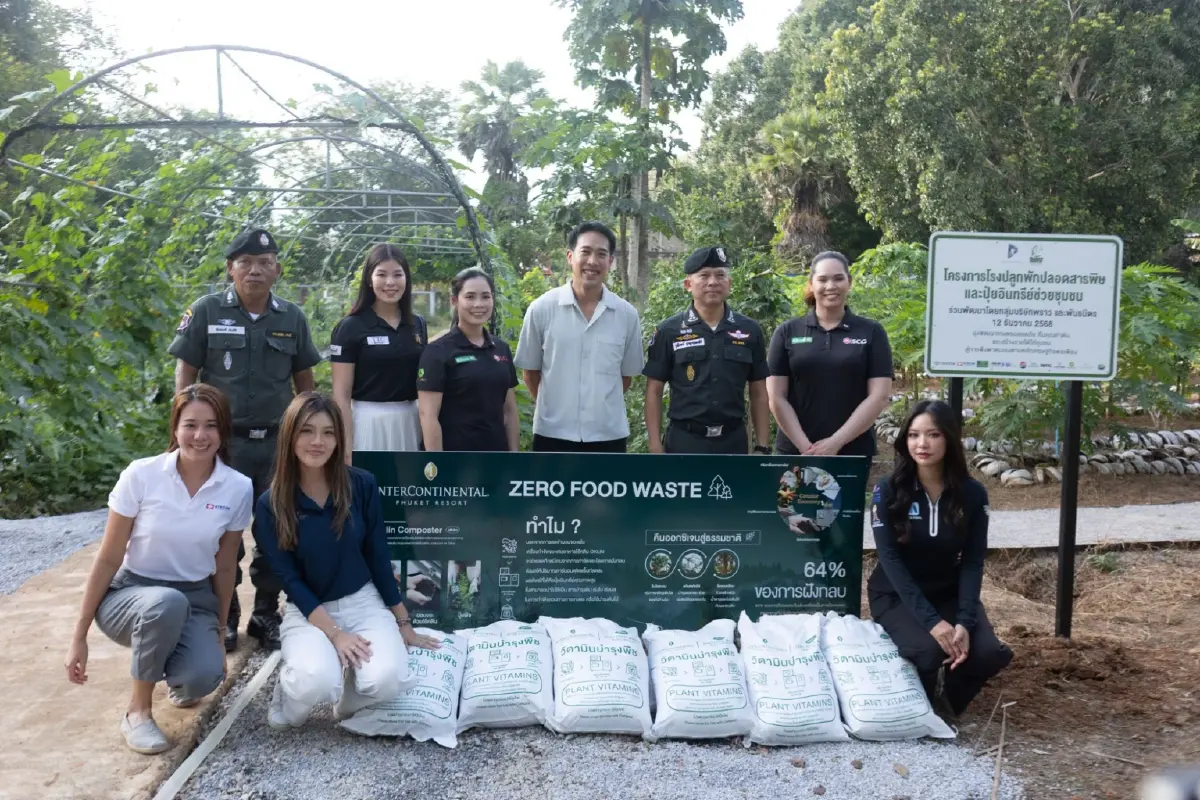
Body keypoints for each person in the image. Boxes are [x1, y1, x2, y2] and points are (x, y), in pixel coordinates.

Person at [64, 384, 252, 754]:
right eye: (190, 425)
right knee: (165, 604)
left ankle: (177, 670)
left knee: (204, 676)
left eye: (211, 426)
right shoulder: (141, 475)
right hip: (130, 596)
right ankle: (138, 711)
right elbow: (108, 557)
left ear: (223, 431)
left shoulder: (237, 487)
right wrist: (79, 636)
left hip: (195, 597)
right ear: (175, 428)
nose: (200, 436)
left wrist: (218, 631)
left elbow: (226, 564)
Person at [169, 228, 322, 652]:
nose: (255, 270)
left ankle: (265, 613)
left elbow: (305, 385)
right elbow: (186, 375)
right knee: (221, 532)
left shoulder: (291, 317)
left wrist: (307, 434)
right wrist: (184, 427)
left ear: (277, 269)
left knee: (278, 529)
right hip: (223, 446)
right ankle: (226, 614)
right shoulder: (205, 310)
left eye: (265, 262)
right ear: (230, 269)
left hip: (276, 444)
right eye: (246, 262)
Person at [252, 393, 441, 729]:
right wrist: (336, 634)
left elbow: (378, 557)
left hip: (363, 602)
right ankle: (290, 692)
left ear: (340, 438)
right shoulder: (272, 503)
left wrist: (403, 623)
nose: (317, 441)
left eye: (328, 432)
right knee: (312, 688)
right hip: (310, 611)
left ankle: (349, 699)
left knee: (389, 679)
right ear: (290, 436)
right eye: (307, 431)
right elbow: (290, 580)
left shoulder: (361, 484)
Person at [868, 399, 1012, 718]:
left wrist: (963, 620)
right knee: (930, 651)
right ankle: (924, 691)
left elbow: (973, 561)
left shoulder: (973, 494)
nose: (922, 443)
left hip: (947, 592)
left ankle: (949, 702)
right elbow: (890, 560)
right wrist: (934, 624)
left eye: (933, 434)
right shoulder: (888, 490)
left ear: (949, 438)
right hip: (895, 596)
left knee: (988, 653)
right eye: (914, 435)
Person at [514, 221, 643, 453]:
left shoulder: (626, 315)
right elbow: (530, 374)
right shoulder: (542, 309)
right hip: (552, 436)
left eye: (602, 254)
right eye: (586, 252)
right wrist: (556, 410)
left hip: (608, 437)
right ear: (570, 256)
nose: (593, 261)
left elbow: (625, 378)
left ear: (610, 262)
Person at [643, 245, 771, 455]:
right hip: (684, 443)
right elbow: (654, 391)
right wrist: (655, 446)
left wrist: (762, 446)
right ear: (688, 284)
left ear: (729, 283)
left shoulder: (749, 330)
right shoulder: (668, 331)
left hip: (733, 442)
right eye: (704, 276)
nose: (713, 282)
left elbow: (759, 392)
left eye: (720, 275)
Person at [767, 250, 893, 459]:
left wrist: (835, 442)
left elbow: (878, 396)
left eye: (838, 278)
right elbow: (776, 397)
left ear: (849, 282)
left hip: (852, 452)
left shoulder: (871, 331)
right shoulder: (787, 332)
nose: (830, 286)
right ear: (811, 284)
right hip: (795, 452)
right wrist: (806, 448)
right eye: (822, 279)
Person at [331, 243, 427, 461]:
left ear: (407, 279)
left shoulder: (417, 324)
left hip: (410, 421)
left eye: (397, 274)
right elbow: (341, 396)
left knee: (408, 491)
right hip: (366, 424)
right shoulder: (350, 327)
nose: (390, 282)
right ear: (369, 279)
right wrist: (345, 448)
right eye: (381, 274)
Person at [416, 267, 519, 452]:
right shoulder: (437, 351)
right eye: (470, 297)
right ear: (454, 301)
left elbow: (509, 411)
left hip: (496, 458)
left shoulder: (501, 348)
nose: (479, 304)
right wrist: (438, 467)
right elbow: (428, 415)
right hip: (456, 462)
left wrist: (514, 458)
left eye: (486, 296)